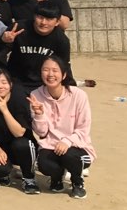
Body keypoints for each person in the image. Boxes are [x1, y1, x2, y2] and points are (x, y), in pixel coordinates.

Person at [30, 56, 95, 199]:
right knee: (44, 165)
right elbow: (41, 132)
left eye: (55, 70)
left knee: (69, 156)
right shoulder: (35, 95)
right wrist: (39, 114)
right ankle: (57, 178)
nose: (50, 74)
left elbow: (83, 129)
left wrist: (67, 141)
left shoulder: (79, 95)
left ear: (64, 75)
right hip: (51, 146)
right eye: (46, 70)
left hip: (76, 146)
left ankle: (77, 182)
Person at [0, 67, 40, 194]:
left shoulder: (19, 99)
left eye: (4, 82)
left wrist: (5, 110)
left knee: (22, 144)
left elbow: (19, 133)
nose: (0, 86)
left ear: (10, 85)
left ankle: (29, 178)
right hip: (1, 146)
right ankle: (4, 175)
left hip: (21, 145)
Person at [0, 2, 71, 94]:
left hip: (44, 83)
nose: (43, 22)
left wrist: (70, 88)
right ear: (34, 16)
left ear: (57, 22)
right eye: (40, 17)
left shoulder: (61, 40)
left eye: (49, 19)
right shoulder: (18, 28)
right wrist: (3, 41)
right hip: (16, 81)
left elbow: (64, 66)